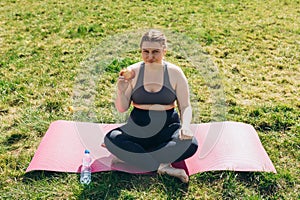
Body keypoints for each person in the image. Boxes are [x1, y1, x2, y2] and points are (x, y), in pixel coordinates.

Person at [103, 29, 198, 183]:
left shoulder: (175, 73)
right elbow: (122, 108)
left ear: (164, 51)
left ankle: (133, 158)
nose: (150, 56)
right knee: (111, 139)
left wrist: (185, 126)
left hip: (168, 129)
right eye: (145, 51)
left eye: (155, 52)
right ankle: (163, 166)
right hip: (137, 129)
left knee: (191, 143)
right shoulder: (132, 72)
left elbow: (185, 106)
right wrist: (121, 91)